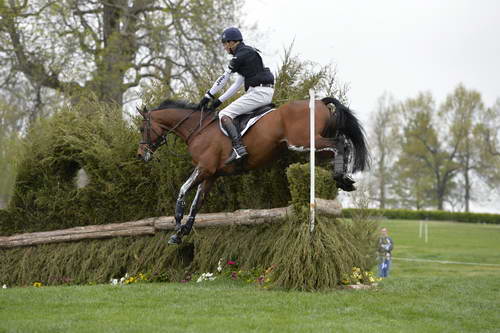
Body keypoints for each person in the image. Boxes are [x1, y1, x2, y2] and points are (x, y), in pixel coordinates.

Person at [198, 27, 275, 164]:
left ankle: (238, 148)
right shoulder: (247, 53)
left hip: (258, 92)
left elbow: (224, 77)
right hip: (262, 91)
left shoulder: (240, 55)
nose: (224, 47)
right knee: (232, 114)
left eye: (224, 44)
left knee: (224, 115)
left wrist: (208, 95)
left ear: (232, 43)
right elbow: (237, 84)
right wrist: (219, 100)